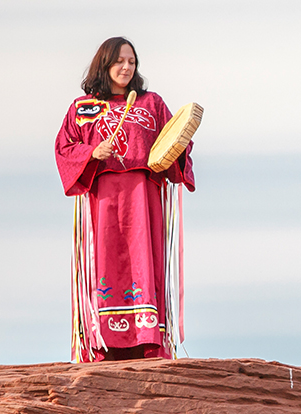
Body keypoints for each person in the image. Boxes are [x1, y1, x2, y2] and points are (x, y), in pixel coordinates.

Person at [54, 37, 195, 362]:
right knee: (104, 261)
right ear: (104, 64)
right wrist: (92, 151)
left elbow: (175, 144)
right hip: (102, 199)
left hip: (143, 198)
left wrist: (182, 140)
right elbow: (63, 149)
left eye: (131, 61)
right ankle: (100, 343)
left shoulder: (152, 104)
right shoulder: (82, 107)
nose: (126, 67)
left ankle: (149, 342)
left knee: (144, 259)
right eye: (119, 61)